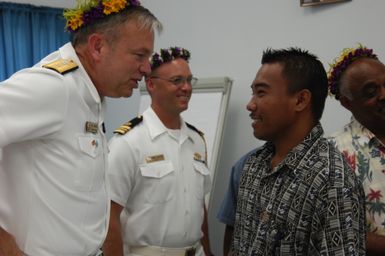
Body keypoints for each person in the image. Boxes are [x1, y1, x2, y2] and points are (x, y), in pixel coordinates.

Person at [0, 0, 162, 255]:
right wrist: (3, 244)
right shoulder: (55, 87)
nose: (147, 68)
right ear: (98, 47)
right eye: (139, 55)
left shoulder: (91, 96)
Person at [230, 48, 366, 255]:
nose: (250, 104)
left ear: (301, 100)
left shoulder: (333, 181)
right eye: (253, 92)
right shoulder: (252, 165)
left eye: (261, 92)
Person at [103, 47, 214, 256]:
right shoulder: (128, 142)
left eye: (190, 80)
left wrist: (209, 251)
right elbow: (109, 216)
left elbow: (200, 207)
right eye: (177, 81)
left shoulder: (196, 141)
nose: (186, 87)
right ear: (151, 84)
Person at [328, 45, 385, 256]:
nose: (383, 94)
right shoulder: (331, 153)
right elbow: (333, 230)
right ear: (346, 102)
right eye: (371, 92)